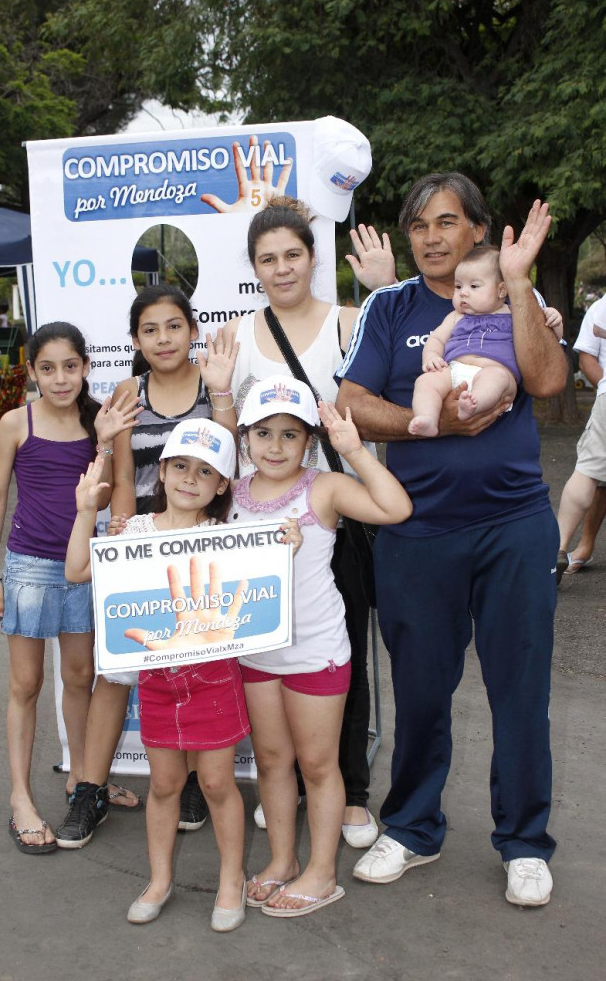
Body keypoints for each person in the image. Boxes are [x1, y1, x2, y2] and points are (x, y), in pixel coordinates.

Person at [335, 172, 567, 908]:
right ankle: (411, 827)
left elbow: (549, 379)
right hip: (417, 531)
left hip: (513, 525)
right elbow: (352, 403)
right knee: (422, 689)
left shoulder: (511, 298)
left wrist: (520, 282)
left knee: (520, 689)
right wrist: (419, 421)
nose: (431, 237)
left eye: (445, 222)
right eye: (417, 226)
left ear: (475, 229)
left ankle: (524, 843)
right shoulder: (392, 308)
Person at [64, 421, 272, 930]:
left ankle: (230, 883)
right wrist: (87, 510)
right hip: (159, 683)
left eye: (206, 472)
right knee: (164, 784)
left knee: (219, 783)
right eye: (180, 466)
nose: (189, 479)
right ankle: (159, 880)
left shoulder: (225, 537)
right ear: (161, 471)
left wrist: (281, 543)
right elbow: (75, 570)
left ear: (223, 485)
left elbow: (264, 582)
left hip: (214, 678)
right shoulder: (130, 531)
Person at [54, 285, 239, 848]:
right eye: (151, 330)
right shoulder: (128, 390)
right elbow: (127, 479)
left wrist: (224, 393)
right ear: (135, 339)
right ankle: (90, 788)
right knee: (119, 669)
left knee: (193, 660)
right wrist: (128, 540)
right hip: (144, 543)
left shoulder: (213, 381)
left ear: (192, 329)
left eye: (174, 326)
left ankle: (184, 781)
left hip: (203, 544)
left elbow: (230, 461)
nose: (164, 339)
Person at [224, 196, 383, 848]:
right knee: (269, 649)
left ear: (313, 259)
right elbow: (226, 429)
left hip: (336, 513)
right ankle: (284, 784)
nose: (281, 268)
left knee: (339, 647)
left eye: (292, 255)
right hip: (264, 522)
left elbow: (417, 358)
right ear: (254, 268)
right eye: (268, 259)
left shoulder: (352, 322)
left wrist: (385, 289)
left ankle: (350, 789)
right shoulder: (236, 333)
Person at [233, 375, 412, 917]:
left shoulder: (323, 489)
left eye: (290, 435)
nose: (275, 446)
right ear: (244, 438)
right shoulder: (233, 492)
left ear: (309, 441)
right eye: (263, 433)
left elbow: (395, 508)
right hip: (255, 653)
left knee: (317, 764)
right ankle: (284, 859)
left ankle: (321, 871)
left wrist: (353, 449)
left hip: (315, 652)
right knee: (271, 761)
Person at [0, 321, 140, 853]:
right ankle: (20, 799)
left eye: (70, 366)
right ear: (31, 372)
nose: (60, 378)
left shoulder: (102, 422)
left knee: (79, 676)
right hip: (27, 568)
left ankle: (80, 779)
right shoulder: (15, 423)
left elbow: (111, 489)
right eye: (47, 368)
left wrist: (104, 442)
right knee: (25, 685)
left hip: (82, 566)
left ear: (86, 367)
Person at [409, 245, 563, 436]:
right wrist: (430, 357)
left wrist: (554, 321)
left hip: (496, 371)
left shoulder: (516, 314)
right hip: (454, 370)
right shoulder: (456, 316)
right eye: (458, 286)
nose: (463, 293)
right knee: (425, 382)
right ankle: (427, 418)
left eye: (474, 286)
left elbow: (549, 340)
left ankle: (473, 404)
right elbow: (436, 339)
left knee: (495, 379)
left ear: (501, 290)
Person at [555, 295, 606, 581]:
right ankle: (568, 547)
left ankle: (557, 548)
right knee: (595, 477)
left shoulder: (602, 307)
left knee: (587, 472)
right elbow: (587, 358)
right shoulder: (600, 306)